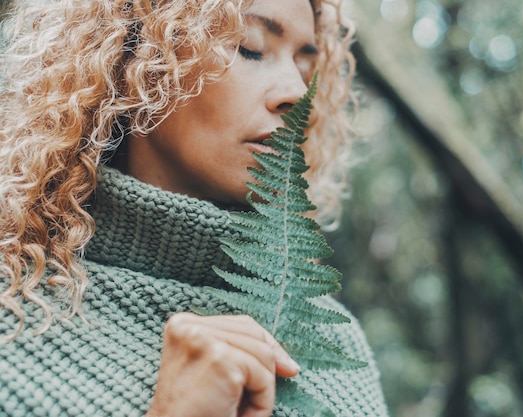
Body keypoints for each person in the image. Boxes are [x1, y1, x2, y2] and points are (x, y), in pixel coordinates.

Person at [0, 0, 388, 416]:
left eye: (306, 69)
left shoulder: (337, 346)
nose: (296, 92)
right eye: (250, 47)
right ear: (141, 60)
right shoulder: (18, 315)